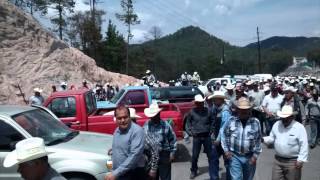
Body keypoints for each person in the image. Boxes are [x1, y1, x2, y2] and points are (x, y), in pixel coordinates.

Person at [262, 105, 308, 180]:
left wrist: (301, 160)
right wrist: (263, 139)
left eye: (286, 117)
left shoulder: (299, 127)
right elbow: (271, 138)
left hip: (292, 162)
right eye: (283, 117)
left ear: (292, 117)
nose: (284, 119)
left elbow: (304, 144)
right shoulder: (277, 124)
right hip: (278, 161)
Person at [221, 97, 262, 180]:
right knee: (236, 178)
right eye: (241, 109)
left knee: (248, 178)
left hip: (250, 156)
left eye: (246, 109)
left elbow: (258, 140)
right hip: (235, 156)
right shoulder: (231, 120)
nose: (244, 111)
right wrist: (226, 151)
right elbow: (224, 135)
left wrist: (255, 156)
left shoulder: (255, 122)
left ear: (250, 110)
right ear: (237, 109)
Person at [105, 106, 146, 180]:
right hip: (120, 173)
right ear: (116, 119)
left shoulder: (137, 131)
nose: (122, 120)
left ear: (130, 117)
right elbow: (124, 145)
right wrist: (114, 149)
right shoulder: (117, 130)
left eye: (125, 117)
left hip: (132, 174)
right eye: (119, 118)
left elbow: (134, 156)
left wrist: (115, 173)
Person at [143, 103, 177, 180]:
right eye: (152, 115)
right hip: (151, 155)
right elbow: (143, 139)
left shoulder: (166, 125)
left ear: (159, 114)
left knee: (166, 178)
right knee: (152, 177)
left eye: (155, 115)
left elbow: (172, 139)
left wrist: (172, 153)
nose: (153, 117)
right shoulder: (146, 125)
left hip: (164, 154)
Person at [185, 94, 215, 179]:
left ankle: (212, 169)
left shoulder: (208, 111)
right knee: (195, 155)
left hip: (207, 136)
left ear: (203, 102)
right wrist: (190, 132)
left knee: (210, 155)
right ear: (195, 103)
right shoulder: (191, 112)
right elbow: (187, 123)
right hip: (197, 137)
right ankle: (193, 170)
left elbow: (213, 121)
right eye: (198, 103)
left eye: (201, 102)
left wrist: (211, 130)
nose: (200, 104)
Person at [208, 91, 232, 180]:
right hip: (217, 139)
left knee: (228, 162)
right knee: (213, 159)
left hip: (225, 141)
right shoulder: (215, 109)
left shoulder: (226, 111)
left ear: (220, 100)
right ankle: (214, 178)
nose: (213, 101)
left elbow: (224, 127)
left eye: (215, 99)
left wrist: (218, 139)